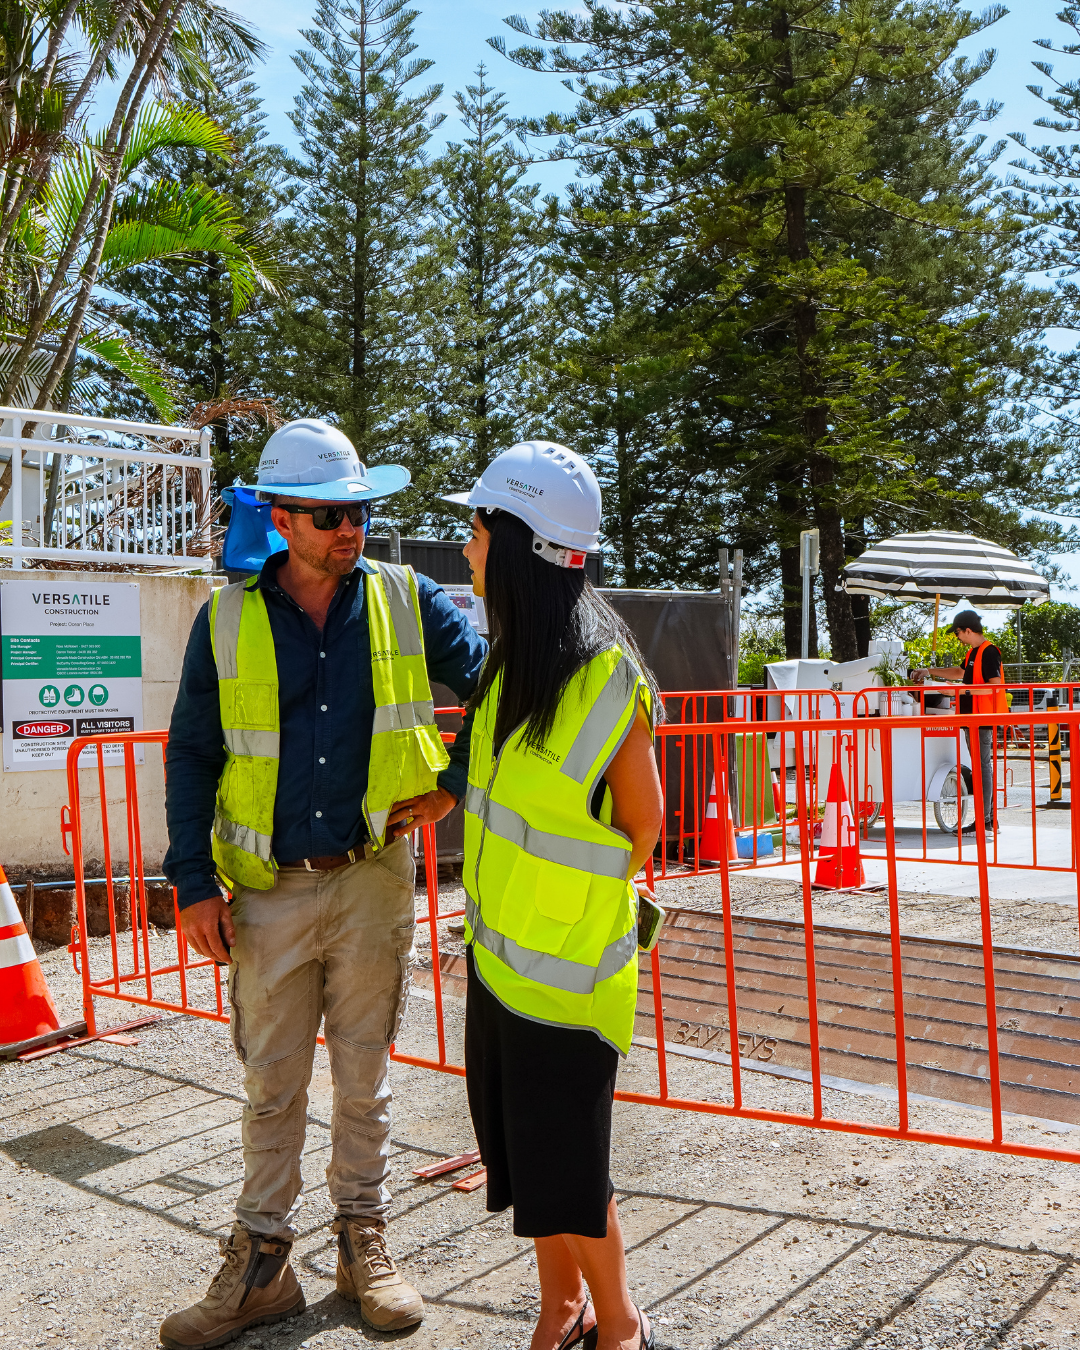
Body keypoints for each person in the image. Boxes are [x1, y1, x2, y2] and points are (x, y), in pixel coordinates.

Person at [159, 420, 486, 1350]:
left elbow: (500, 685)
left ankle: (362, 1243)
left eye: (360, 511)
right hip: (266, 888)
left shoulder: (406, 597)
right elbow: (192, 751)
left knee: (363, 1076)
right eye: (332, 514)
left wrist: (456, 783)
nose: (353, 529)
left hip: (371, 877)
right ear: (280, 519)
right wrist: (192, 881)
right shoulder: (224, 620)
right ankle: (262, 1263)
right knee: (271, 1082)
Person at [444, 441, 664, 1350]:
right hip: (499, 966)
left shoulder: (604, 680)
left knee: (572, 1174)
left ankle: (619, 1326)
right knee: (524, 1163)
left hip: (570, 983)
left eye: (477, 526)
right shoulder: (506, 668)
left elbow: (644, 828)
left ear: (518, 542)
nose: (465, 546)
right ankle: (559, 1308)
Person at [913, 609, 1005, 832]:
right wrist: (929, 671)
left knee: (982, 767)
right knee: (981, 767)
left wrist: (960, 693)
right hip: (971, 716)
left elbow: (995, 686)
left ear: (968, 630)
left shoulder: (989, 652)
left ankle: (985, 820)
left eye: (957, 633)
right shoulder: (974, 653)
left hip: (982, 717)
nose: (958, 638)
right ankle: (989, 818)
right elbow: (959, 672)